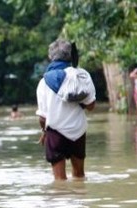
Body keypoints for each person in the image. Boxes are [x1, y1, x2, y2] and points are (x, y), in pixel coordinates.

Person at [35, 39, 96, 181]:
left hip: (55, 134)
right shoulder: (82, 75)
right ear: (71, 56)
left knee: (59, 181)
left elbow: (42, 118)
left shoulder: (44, 82)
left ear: (51, 57)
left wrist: (44, 132)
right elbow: (91, 106)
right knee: (80, 176)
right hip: (78, 132)